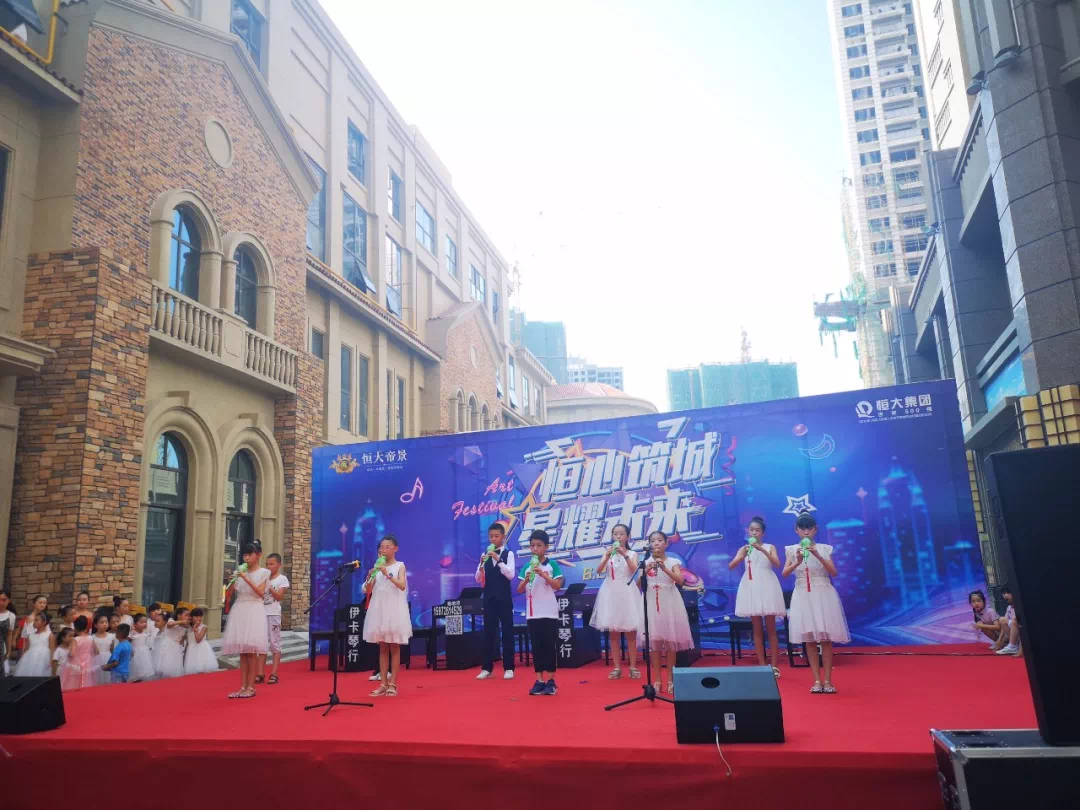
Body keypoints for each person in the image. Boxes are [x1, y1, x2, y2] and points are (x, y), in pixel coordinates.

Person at [783, 512, 850, 694]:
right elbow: (785, 573)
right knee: (809, 640)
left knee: (825, 639)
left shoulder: (824, 548)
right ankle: (816, 680)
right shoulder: (791, 550)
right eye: (802, 528)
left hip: (823, 594)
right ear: (796, 530)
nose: (806, 532)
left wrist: (818, 555)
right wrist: (797, 561)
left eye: (809, 528)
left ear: (815, 529)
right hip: (802, 594)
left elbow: (833, 572)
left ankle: (828, 681)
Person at [730, 516, 786, 677]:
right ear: (748, 531)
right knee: (757, 628)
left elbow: (777, 564)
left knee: (771, 628)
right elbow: (731, 566)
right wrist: (741, 556)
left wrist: (762, 550)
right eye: (751, 530)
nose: (754, 532)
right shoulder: (744, 549)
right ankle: (762, 665)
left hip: (767, 585)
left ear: (763, 533)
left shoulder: (770, 547)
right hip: (751, 586)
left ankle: (774, 666)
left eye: (757, 530)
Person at [640, 530, 694, 695]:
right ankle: (657, 680)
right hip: (651, 601)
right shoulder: (646, 562)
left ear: (666, 543)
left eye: (659, 540)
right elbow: (637, 584)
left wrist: (664, 568)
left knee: (671, 643)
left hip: (670, 602)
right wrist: (645, 569)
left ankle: (670, 680)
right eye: (653, 541)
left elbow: (680, 580)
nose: (656, 543)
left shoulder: (673, 561)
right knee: (655, 644)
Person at [590, 523, 643, 679]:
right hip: (610, 592)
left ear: (628, 536)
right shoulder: (608, 553)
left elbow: (634, 571)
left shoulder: (632, 553)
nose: (618, 536)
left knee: (630, 632)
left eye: (621, 534)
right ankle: (617, 667)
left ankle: (633, 667)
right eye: (615, 534)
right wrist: (607, 557)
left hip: (627, 591)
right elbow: (599, 571)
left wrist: (624, 555)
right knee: (613, 633)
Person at [517, 529, 564, 696]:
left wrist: (543, 575)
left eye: (539, 545)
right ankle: (539, 680)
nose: (535, 549)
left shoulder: (552, 565)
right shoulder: (526, 567)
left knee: (549, 646)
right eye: (532, 546)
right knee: (536, 647)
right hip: (533, 613)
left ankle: (551, 680)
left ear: (546, 547)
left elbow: (557, 586)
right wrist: (527, 579)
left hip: (549, 612)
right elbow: (519, 589)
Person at [362, 536, 411, 697]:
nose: (383, 550)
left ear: (395, 548)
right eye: (381, 547)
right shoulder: (377, 568)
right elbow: (368, 590)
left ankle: (393, 683)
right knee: (382, 647)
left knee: (394, 647)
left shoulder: (399, 566)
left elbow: (402, 585)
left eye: (387, 547)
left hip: (394, 610)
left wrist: (387, 574)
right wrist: (370, 577)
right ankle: (383, 683)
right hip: (379, 610)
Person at [221, 540, 270, 698]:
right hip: (240, 609)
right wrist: (230, 582)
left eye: (250, 554)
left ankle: (251, 687)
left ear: (258, 555)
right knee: (242, 652)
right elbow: (229, 594)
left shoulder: (264, 572)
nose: (247, 558)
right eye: (245, 555)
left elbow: (260, 593)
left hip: (254, 609)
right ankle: (242, 686)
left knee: (251, 651)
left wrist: (246, 578)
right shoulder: (240, 572)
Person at [476, 522, 517, 681]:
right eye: (491, 536)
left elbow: (511, 574)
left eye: (496, 536)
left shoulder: (508, 554)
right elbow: (478, 579)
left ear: (503, 537)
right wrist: (481, 565)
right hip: (488, 599)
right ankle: (487, 668)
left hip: (504, 599)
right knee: (488, 633)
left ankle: (509, 668)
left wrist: (498, 560)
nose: (493, 539)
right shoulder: (484, 555)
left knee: (507, 632)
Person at [256, 552, 290, 685]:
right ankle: (260, 673)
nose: (269, 566)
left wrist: (269, 586)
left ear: (279, 564)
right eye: (267, 564)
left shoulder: (282, 579)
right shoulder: (263, 578)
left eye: (272, 564)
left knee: (274, 644)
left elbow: (279, 597)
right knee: (261, 645)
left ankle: (274, 673)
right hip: (261, 613)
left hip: (273, 614)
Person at [14, 612, 53, 677]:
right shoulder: (30, 635)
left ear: (44, 622)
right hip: (30, 659)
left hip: (44, 659)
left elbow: (52, 649)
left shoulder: (49, 634)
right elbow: (26, 649)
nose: (34, 622)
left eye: (37, 620)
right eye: (34, 620)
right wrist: (22, 660)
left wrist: (51, 661)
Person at [157, 608, 190, 679]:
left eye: (188, 616)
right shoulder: (171, 621)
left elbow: (183, 637)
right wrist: (181, 621)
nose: (187, 617)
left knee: (175, 668)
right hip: (168, 646)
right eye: (186, 615)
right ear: (179, 615)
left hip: (177, 648)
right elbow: (169, 624)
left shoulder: (185, 626)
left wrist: (182, 641)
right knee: (167, 667)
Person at [184, 608, 218, 675]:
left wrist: (195, 630)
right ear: (191, 617)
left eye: (200, 616)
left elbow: (198, 640)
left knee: (202, 669)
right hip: (191, 651)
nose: (199, 618)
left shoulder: (204, 627)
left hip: (201, 650)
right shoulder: (188, 627)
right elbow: (188, 640)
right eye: (196, 616)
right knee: (193, 671)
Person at [66, 616, 96, 690]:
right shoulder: (91, 638)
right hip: (88, 662)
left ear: (75, 627)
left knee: (76, 682)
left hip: (77, 663)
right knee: (87, 680)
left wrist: (68, 652)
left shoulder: (76, 639)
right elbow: (96, 651)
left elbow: (72, 653)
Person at [17, 594, 48, 661]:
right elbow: (27, 636)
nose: (42, 605)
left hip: (41, 646)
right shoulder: (31, 618)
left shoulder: (45, 617)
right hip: (30, 647)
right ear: (34, 604)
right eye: (40, 602)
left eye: (44, 603)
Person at [995, 585, 1022, 657]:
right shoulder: (1009, 607)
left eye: (1009, 592)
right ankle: (1013, 645)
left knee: (1014, 621)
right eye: (1004, 593)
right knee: (1002, 620)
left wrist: (1020, 652)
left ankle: (1013, 646)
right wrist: (999, 640)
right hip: (1015, 634)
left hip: (1023, 634)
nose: (1006, 595)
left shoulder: (1020, 605)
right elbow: (1004, 626)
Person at [129, 614, 155, 682]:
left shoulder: (145, 633)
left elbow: (147, 642)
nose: (144, 624)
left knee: (144, 667)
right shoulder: (132, 634)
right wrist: (130, 651)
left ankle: (142, 680)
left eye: (145, 622)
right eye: (141, 622)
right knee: (136, 666)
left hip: (144, 653)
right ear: (135, 624)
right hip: (135, 653)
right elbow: (128, 643)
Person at [91, 614, 114, 686]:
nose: (104, 624)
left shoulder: (112, 636)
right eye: (101, 622)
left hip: (108, 658)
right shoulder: (92, 637)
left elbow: (113, 650)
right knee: (97, 678)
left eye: (106, 622)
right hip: (96, 660)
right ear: (96, 625)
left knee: (108, 678)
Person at [0, 589, 15, 675]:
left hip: (1, 648)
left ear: (9, 600)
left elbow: (9, 635)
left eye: (4, 600)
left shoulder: (11, 616)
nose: (1, 602)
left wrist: (9, 651)